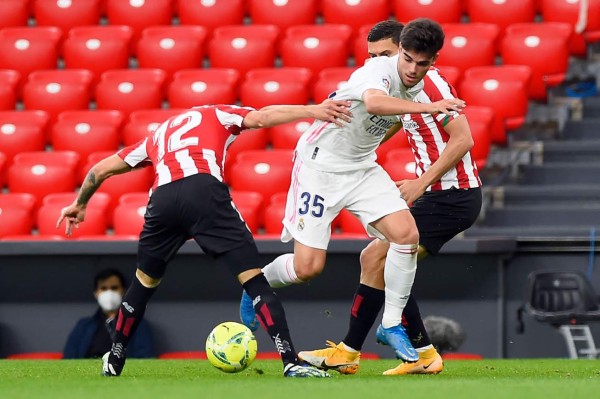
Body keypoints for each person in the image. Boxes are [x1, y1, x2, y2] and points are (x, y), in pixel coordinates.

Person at [56, 100, 354, 378]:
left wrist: (80, 204)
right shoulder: (216, 113)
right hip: (202, 189)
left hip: (162, 200)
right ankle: (290, 361)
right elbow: (262, 117)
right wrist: (313, 110)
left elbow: (100, 169)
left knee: (143, 284)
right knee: (254, 280)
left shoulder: (158, 135)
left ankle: (115, 358)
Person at [239, 18, 466, 364]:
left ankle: (390, 324)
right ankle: (259, 280)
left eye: (422, 63)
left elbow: (385, 123)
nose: (412, 68)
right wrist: (429, 108)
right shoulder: (377, 70)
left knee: (405, 235)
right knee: (308, 268)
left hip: (361, 167)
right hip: (320, 167)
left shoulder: (419, 85)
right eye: (406, 58)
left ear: (432, 61)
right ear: (399, 51)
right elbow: (375, 105)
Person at [297, 19, 482, 376]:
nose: (376, 62)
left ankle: (355, 352)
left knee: (381, 258)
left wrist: (420, 183)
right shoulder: (398, 84)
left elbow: (463, 139)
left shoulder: (429, 83)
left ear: (404, 49)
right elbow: (398, 120)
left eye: (383, 54)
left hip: (452, 195)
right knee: (379, 261)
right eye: (372, 56)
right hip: (441, 192)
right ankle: (420, 353)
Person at [63, 268, 155, 359]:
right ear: (96, 293)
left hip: (122, 371)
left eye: (114, 288)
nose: (109, 293)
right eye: (103, 288)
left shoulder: (138, 325)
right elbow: (68, 358)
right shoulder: (83, 326)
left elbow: (146, 358)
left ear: (123, 291)